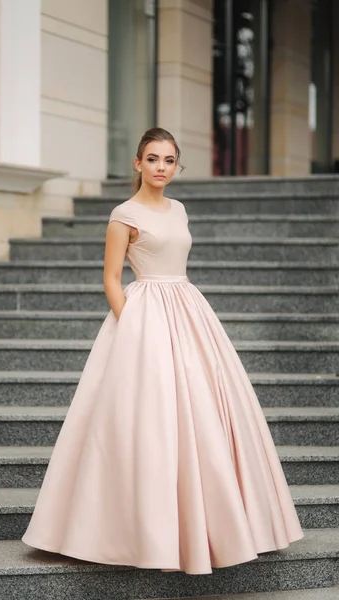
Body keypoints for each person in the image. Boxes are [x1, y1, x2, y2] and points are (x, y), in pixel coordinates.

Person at [22, 127, 304, 575]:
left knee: (207, 411)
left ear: (177, 166)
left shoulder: (179, 209)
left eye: (169, 160)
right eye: (152, 159)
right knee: (149, 420)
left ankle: (221, 526)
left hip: (189, 309)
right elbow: (112, 278)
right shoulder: (124, 214)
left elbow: (177, 265)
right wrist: (131, 323)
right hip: (144, 314)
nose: (160, 167)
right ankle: (132, 532)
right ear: (137, 163)